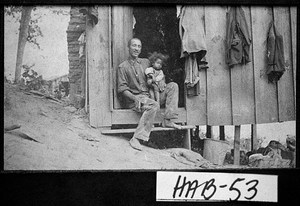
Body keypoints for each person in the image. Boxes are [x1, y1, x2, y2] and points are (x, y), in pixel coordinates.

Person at [117, 38, 182, 151]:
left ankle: (168, 120)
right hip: (136, 100)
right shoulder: (122, 67)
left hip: (151, 96)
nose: (136, 49)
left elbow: (157, 73)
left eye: (139, 46)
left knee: (173, 86)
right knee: (154, 105)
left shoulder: (146, 62)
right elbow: (122, 89)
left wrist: (161, 81)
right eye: (134, 46)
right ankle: (137, 138)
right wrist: (134, 97)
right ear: (128, 48)